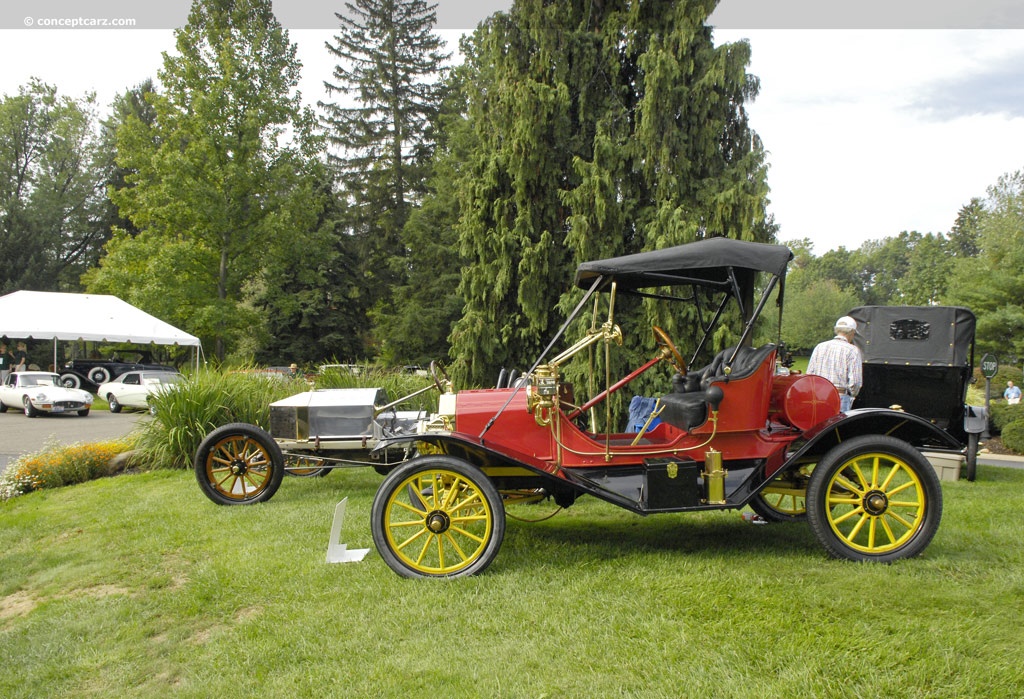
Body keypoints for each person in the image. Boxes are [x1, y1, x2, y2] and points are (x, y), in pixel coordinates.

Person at [807, 316, 863, 412]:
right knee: (839, 426)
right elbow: (855, 383)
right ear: (851, 332)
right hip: (839, 397)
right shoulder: (853, 350)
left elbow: (809, 374)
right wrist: (852, 394)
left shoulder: (819, 347)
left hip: (818, 396)